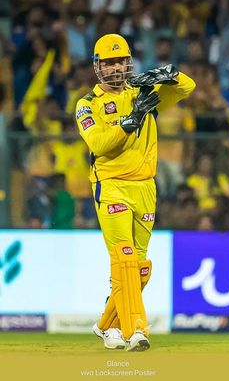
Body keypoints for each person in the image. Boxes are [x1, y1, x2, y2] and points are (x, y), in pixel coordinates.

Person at [75, 33, 195, 351]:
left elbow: (188, 88)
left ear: (129, 62)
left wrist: (167, 73)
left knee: (140, 269)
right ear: (97, 66)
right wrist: (132, 118)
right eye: (108, 62)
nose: (115, 68)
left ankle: (106, 326)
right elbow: (98, 144)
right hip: (111, 186)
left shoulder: (144, 92)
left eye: (120, 61)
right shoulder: (87, 104)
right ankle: (136, 331)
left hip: (145, 187)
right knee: (125, 259)